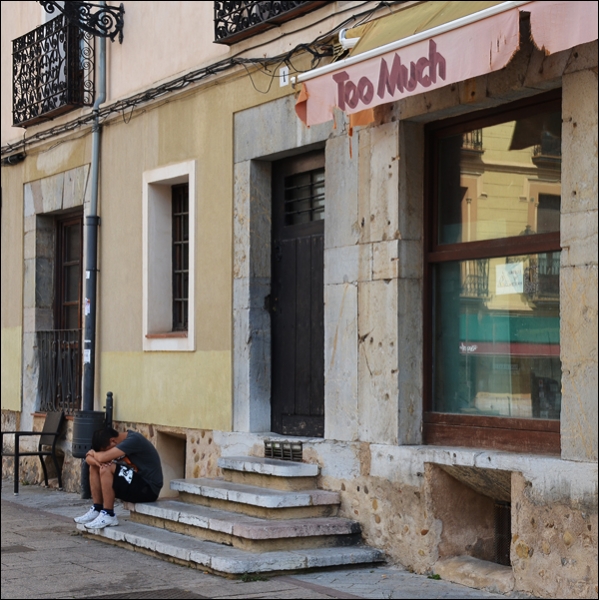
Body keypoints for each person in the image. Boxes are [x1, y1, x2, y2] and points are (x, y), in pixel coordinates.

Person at [74, 427, 163, 529]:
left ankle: (109, 514)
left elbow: (102, 457)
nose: (105, 453)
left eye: (105, 451)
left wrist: (95, 454)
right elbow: (88, 459)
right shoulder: (113, 442)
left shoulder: (133, 440)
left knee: (106, 468)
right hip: (134, 483)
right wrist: (96, 460)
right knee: (95, 466)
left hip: (148, 489)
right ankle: (97, 509)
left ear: (113, 441)